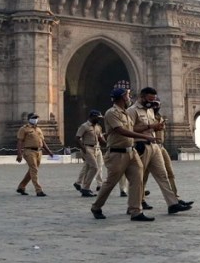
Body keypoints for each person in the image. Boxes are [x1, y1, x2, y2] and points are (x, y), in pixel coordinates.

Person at [89, 87, 157, 221]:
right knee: (110, 183)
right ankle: (96, 207)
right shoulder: (111, 113)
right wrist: (145, 137)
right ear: (121, 97)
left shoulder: (126, 113)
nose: (129, 98)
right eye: (128, 95)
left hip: (131, 152)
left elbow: (131, 129)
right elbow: (121, 131)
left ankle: (135, 211)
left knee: (138, 181)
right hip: (117, 154)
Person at [129, 87, 191, 215]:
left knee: (163, 175)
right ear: (142, 96)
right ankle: (134, 206)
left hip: (154, 146)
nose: (152, 102)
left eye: (153, 99)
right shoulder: (132, 111)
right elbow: (129, 130)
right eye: (150, 99)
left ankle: (173, 204)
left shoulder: (151, 111)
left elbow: (152, 128)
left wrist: (158, 127)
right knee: (139, 178)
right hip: (141, 146)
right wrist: (151, 126)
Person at [15, 112, 54, 196]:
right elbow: (19, 141)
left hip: (39, 152)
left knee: (32, 170)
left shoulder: (39, 129)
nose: (35, 119)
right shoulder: (24, 129)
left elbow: (43, 142)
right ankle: (38, 190)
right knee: (34, 169)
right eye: (33, 117)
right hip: (29, 151)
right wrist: (19, 154)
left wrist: (49, 151)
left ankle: (21, 187)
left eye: (36, 117)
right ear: (29, 119)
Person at [74, 110, 105, 197]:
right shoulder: (84, 126)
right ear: (92, 117)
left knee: (89, 168)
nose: (99, 119)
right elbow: (77, 138)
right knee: (95, 167)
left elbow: (101, 139)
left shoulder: (98, 127)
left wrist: (109, 144)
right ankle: (85, 188)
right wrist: (83, 149)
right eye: (98, 118)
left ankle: (85, 187)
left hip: (96, 148)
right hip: (87, 148)